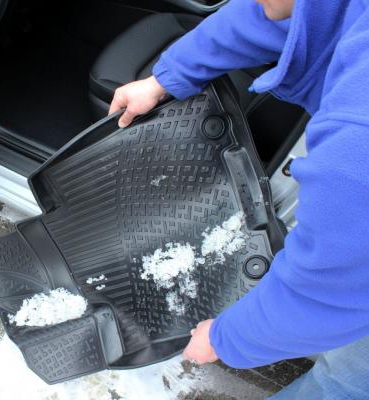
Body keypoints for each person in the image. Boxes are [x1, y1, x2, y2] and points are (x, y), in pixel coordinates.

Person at [109, 0, 369, 398]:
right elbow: (287, 15)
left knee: (345, 383)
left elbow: (328, 292)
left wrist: (225, 339)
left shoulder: (357, 141)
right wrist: (166, 77)